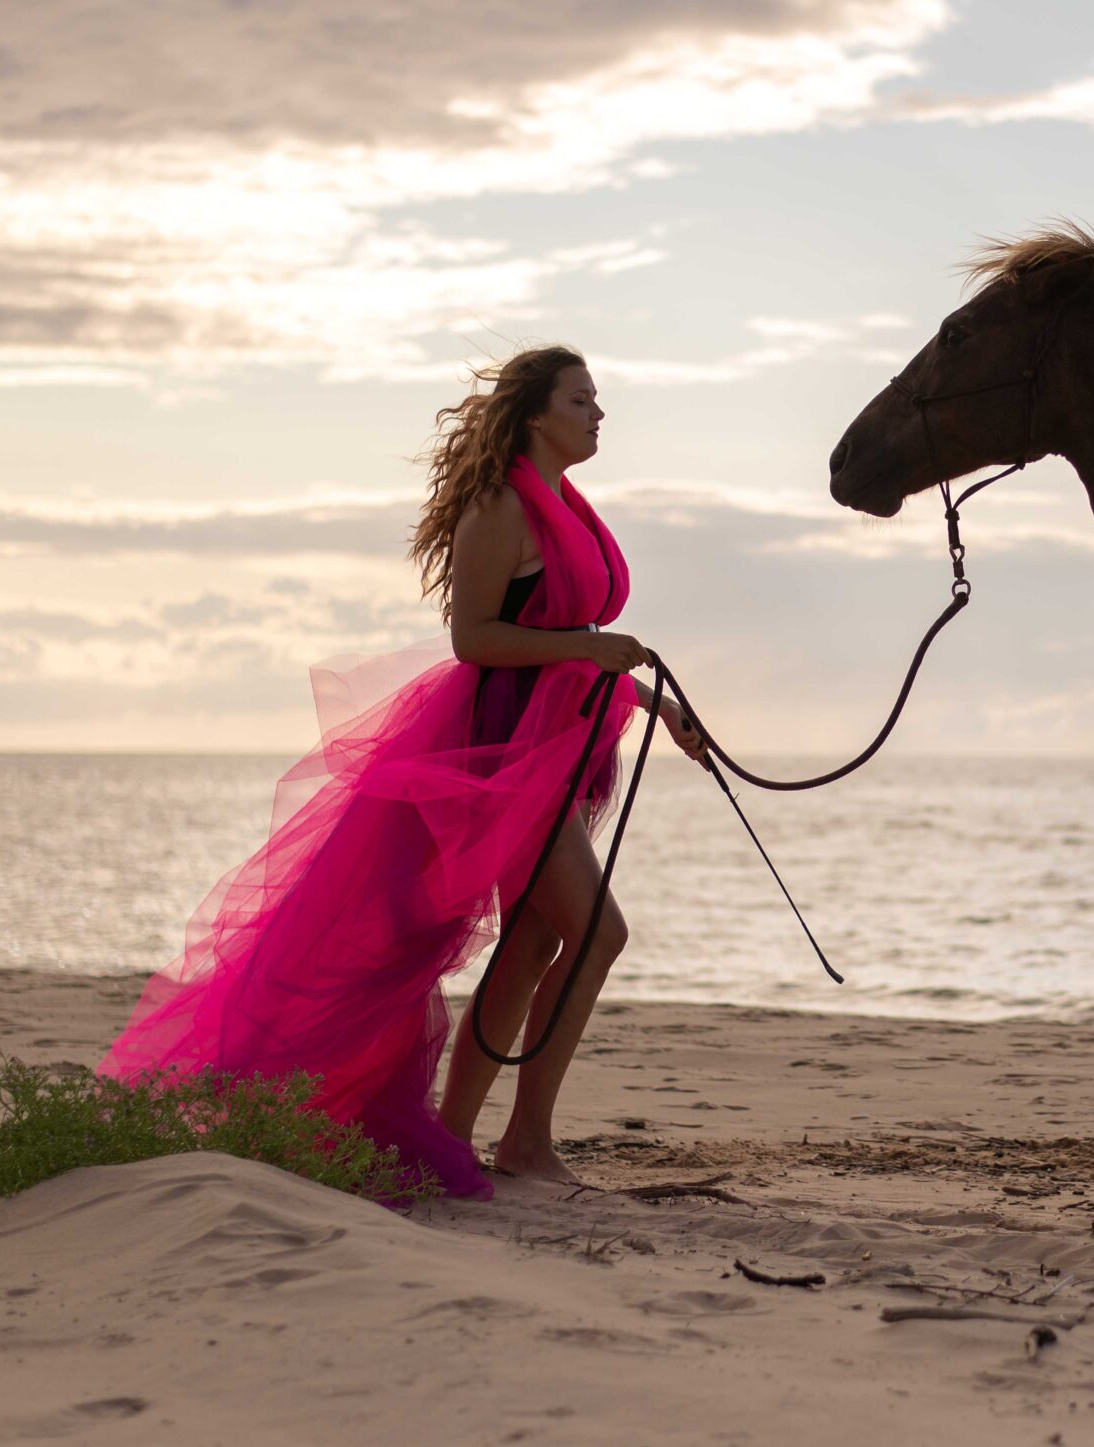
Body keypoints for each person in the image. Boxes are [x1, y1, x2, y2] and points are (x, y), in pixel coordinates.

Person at [98, 345, 703, 1200]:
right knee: (598, 932)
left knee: (540, 937)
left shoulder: (567, 503)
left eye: (597, 400)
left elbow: (571, 647)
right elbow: (477, 641)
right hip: (492, 754)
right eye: (581, 399)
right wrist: (588, 649)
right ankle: (520, 1141)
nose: (598, 414)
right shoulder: (501, 508)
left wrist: (651, 702)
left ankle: (478, 1136)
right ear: (536, 414)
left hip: (551, 749)